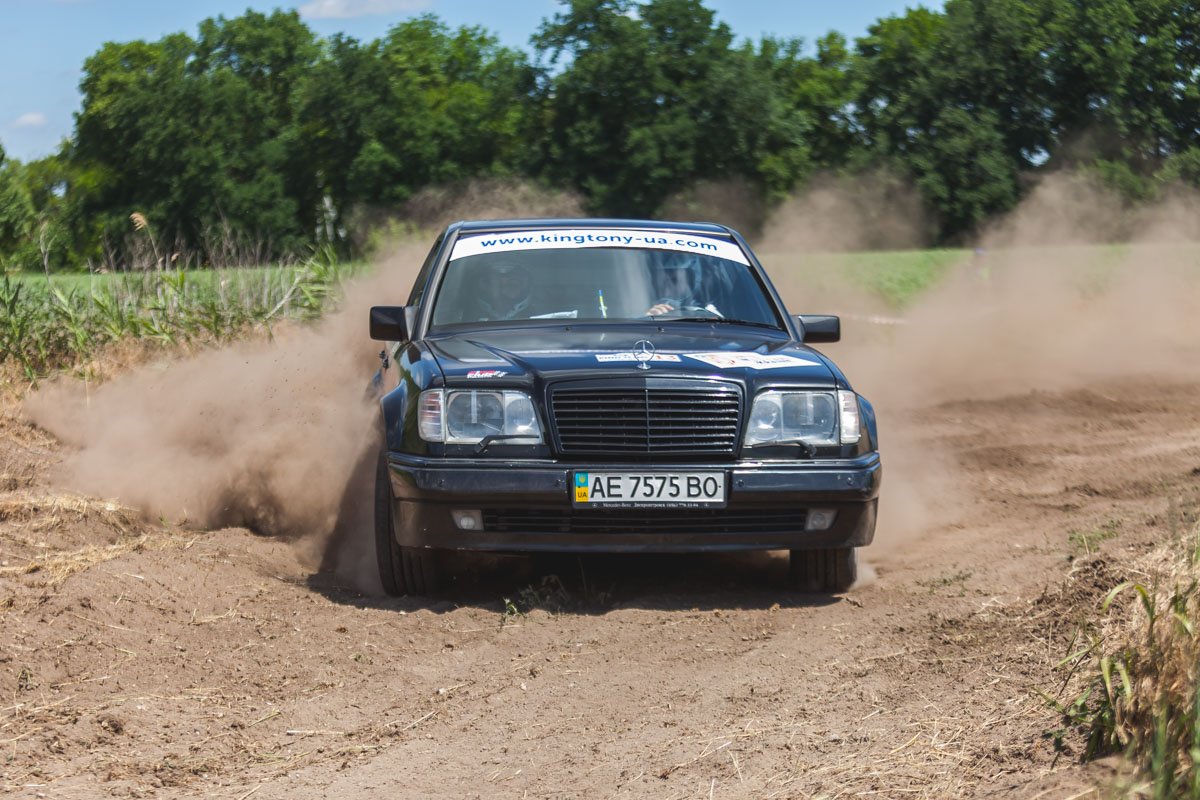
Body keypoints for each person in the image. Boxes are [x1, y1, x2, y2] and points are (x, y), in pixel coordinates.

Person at [645, 251, 721, 317]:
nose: (667, 290)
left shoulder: (711, 317)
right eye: (657, 281)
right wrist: (647, 320)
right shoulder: (638, 310)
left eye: (674, 280)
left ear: (692, 281)